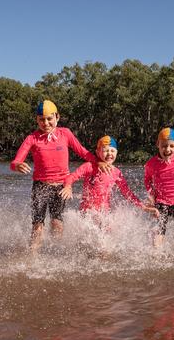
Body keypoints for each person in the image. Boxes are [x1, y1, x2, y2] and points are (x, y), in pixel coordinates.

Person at [10, 99, 111, 253]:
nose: (46, 123)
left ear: (57, 117)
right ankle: (32, 254)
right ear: (37, 120)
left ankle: (55, 253)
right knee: (38, 224)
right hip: (40, 186)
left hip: (61, 187)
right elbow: (15, 161)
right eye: (41, 120)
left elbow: (83, 152)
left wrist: (98, 162)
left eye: (49, 118)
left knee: (57, 222)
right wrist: (17, 165)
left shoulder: (65, 134)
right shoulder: (32, 138)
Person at [61, 135, 158, 217]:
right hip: (86, 213)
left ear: (116, 153)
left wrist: (144, 207)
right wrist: (68, 186)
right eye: (106, 151)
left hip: (104, 214)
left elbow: (127, 193)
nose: (109, 154)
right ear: (98, 152)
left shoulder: (116, 173)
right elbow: (71, 177)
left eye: (112, 151)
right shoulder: (89, 166)